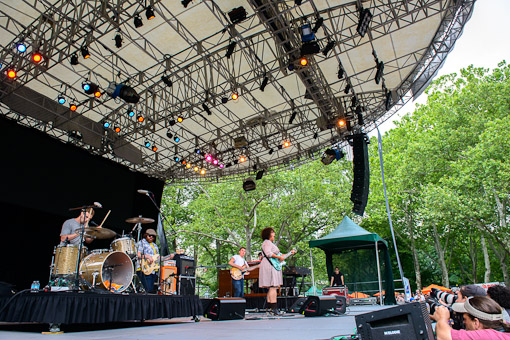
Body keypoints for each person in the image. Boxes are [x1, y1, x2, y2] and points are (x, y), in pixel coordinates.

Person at [432, 296, 510, 340]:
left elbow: (443, 336)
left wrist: (442, 318)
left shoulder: (488, 335)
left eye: (465, 319)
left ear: (476, 322)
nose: (464, 322)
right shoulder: (504, 328)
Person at [259, 227, 295, 315]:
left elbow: (279, 255)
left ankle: (270, 309)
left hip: (272, 265)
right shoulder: (267, 243)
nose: (274, 234)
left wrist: (289, 253)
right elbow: (269, 253)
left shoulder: (271, 243)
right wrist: (279, 257)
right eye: (272, 232)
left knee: (272, 287)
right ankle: (274, 309)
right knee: (273, 286)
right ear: (268, 234)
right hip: (269, 266)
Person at [136, 228, 174, 293]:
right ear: (146, 235)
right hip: (143, 268)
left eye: (153, 236)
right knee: (148, 288)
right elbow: (138, 255)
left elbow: (158, 258)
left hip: (153, 270)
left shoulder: (155, 246)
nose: (151, 237)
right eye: (149, 235)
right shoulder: (141, 243)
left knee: (151, 289)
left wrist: (167, 258)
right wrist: (147, 256)